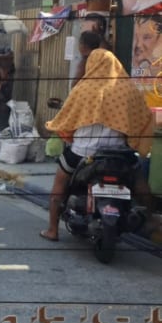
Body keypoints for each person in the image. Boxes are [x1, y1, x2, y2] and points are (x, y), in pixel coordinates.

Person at [39, 48, 155, 242]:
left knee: (59, 186)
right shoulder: (128, 90)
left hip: (82, 155)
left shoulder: (83, 89)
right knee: (142, 187)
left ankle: (52, 229)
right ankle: (150, 219)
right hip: (119, 155)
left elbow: (67, 119)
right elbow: (143, 118)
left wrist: (66, 134)